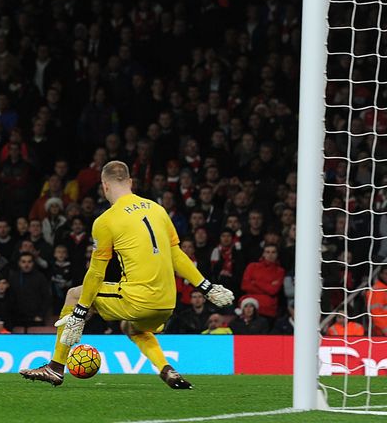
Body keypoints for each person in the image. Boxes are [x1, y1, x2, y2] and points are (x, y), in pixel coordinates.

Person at [20, 161, 233, 388]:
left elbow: (96, 273)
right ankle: (166, 369)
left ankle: (55, 368)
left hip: (139, 300)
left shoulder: (106, 220)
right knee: (131, 327)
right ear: (130, 182)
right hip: (168, 304)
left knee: (74, 295)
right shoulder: (158, 209)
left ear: (104, 186)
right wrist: (207, 287)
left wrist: (80, 312)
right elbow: (177, 255)